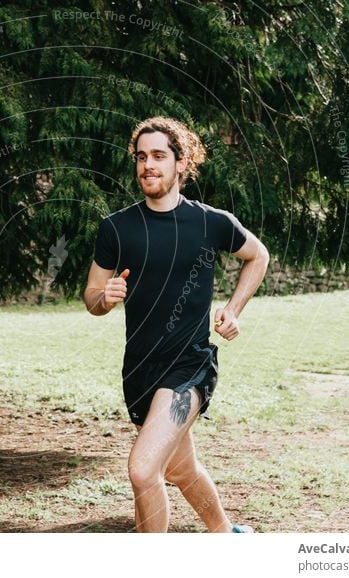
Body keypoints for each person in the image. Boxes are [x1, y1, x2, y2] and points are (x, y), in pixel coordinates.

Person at [83, 116, 269, 533]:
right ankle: (226, 535)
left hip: (188, 367)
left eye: (159, 156)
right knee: (180, 470)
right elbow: (92, 297)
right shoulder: (116, 228)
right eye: (141, 157)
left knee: (143, 470)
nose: (148, 165)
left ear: (181, 163)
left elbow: (258, 256)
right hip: (139, 372)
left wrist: (234, 308)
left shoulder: (210, 222)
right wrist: (104, 299)